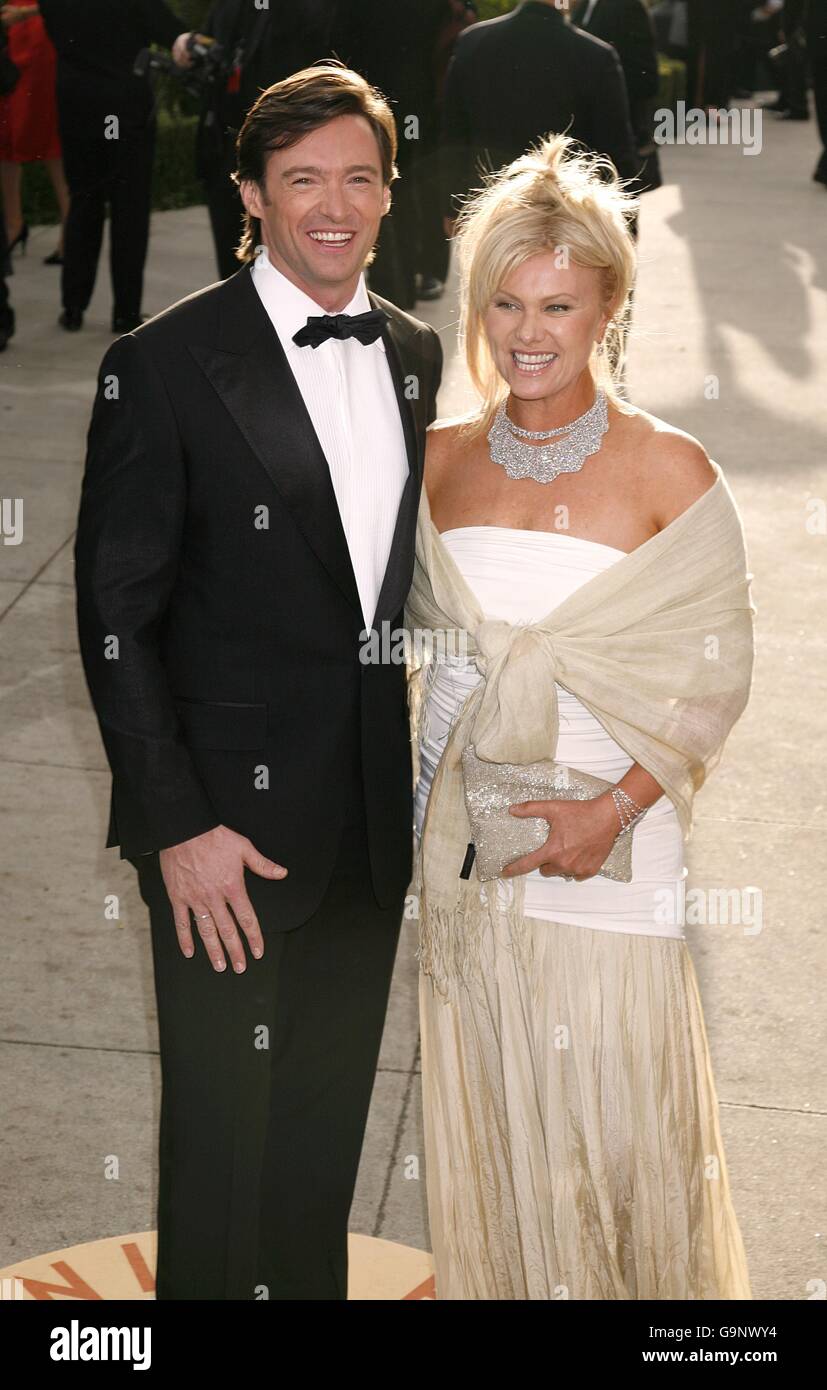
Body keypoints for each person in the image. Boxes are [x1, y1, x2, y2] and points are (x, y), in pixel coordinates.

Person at [74, 62, 443, 1299]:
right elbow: (115, 618)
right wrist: (178, 826)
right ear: (250, 192)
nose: (333, 206)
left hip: (365, 833)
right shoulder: (164, 361)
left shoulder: (413, 353)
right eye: (301, 179)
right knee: (221, 1153)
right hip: (223, 837)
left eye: (358, 177)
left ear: (388, 190)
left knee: (317, 1153)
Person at [405, 133, 756, 1299]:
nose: (527, 332)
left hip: (610, 862)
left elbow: (715, 677)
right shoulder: (436, 461)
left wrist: (611, 811)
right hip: (465, 870)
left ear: (608, 303)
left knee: (615, 1159)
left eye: (557, 304)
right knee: (500, 1152)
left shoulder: (668, 468)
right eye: (504, 302)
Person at [38, 0, 184, 333]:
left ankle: (73, 306)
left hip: (78, 102)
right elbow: (167, 29)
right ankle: (125, 312)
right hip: (124, 103)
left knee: (83, 200)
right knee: (129, 208)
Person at [439, 0, 640, 234]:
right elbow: (615, 150)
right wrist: (627, 225)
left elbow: (453, 134)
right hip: (566, 216)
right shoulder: (596, 56)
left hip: (493, 210)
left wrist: (451, 207)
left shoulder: (473, 42)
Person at [178, 0, 338, 280]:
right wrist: (189, 43)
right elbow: (211, 44)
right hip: (226, 148)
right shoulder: (228, 6)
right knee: (232, 263)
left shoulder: (308, 9)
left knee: (286, 264)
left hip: (287, 150)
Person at [0, 2, 69, 264]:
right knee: (5, 136)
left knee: (50, 135)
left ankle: (71, 230)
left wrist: (25, 13)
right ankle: (13, 224)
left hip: (39, 36)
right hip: (11, 34)